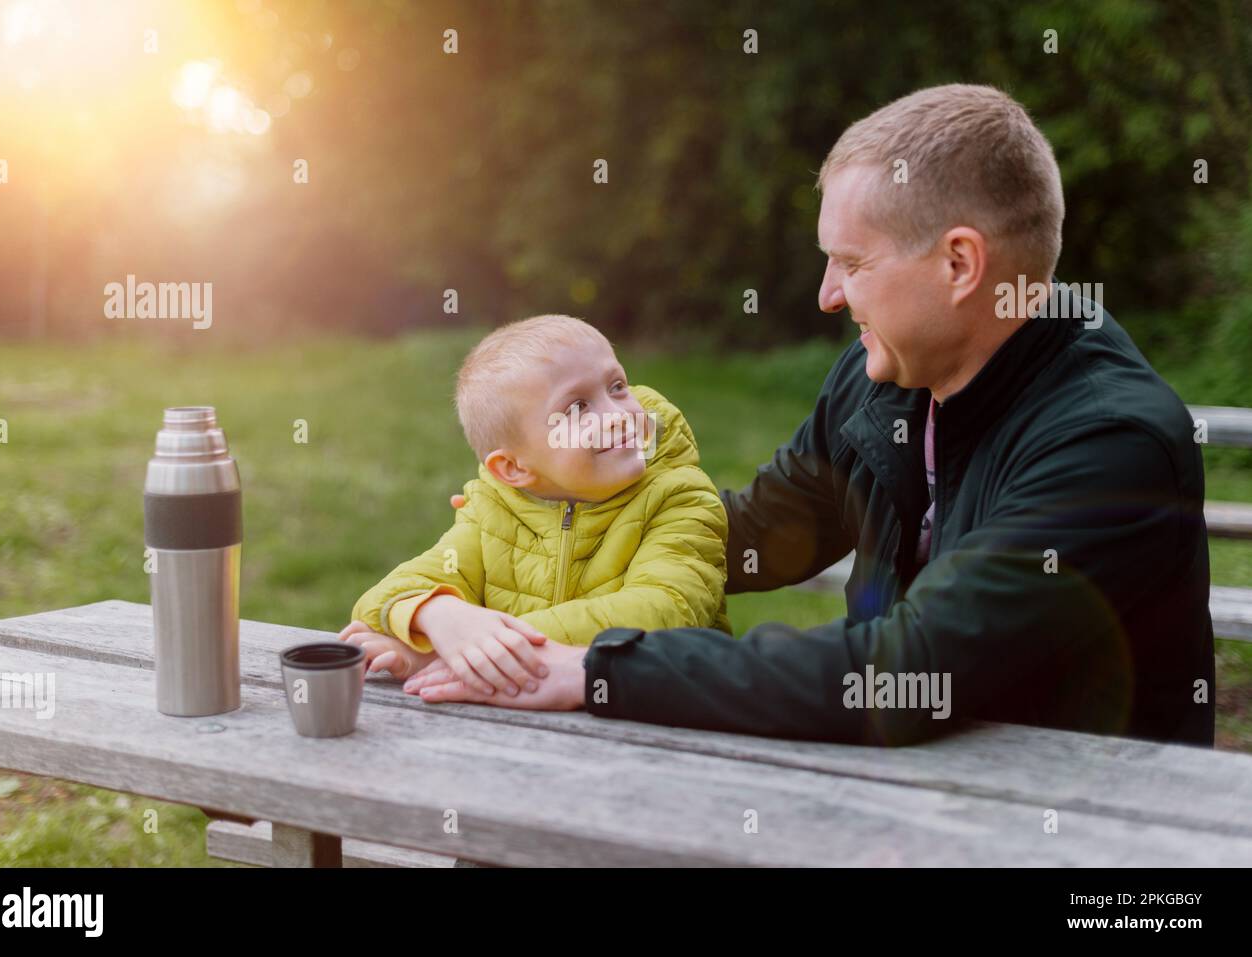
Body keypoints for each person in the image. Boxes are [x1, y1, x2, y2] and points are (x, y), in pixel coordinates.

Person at [383, 84, 1217, 748]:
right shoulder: (880, 370)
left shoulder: (1109, 442)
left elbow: (909, 668)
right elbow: (746, 534)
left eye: (850, 262)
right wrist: (518, 552)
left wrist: (598, 666)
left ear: (961, 263)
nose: (827, 294)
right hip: (905, 785)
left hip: (1082, 833)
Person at [339, 314, 730, 699]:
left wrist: (476, 651)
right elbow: (383, 599)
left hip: (664, 718)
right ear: (512, 468)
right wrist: (442, 620)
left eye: (616, 386)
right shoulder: (493, 510)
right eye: (578, 408)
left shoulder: (682, 498)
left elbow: (665, 610)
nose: (616, 415)